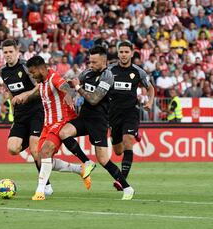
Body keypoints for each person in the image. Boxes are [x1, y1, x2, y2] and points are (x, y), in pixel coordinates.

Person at [59, 45, 135, 200]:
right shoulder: (87, 72)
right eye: (90, 61)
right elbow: (71, 83)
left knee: (103, 160)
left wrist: (78, 88)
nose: (91, 65)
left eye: (94, 62)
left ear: (103, 61)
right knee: (63, 133)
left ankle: (127, 187)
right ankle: (87, 162)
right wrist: (66, 86)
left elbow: (94, 100)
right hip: (84, 118)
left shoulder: (108, 76)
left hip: (99, 121)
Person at [19, 55, 91, 201]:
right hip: (48, 124)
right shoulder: (43, 81)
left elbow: (63, 85)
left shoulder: (53, 77)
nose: (32, 76)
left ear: (41, 69)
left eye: (33, 72)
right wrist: (25, 97)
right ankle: (80, 169)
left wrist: (68, 95)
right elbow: (37, 91)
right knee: (41, 158)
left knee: (45, 151)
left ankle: (40, 191)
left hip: (61, 120)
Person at [0, 39, 53, 195]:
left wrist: (24, 94)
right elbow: (10, 91)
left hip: (36, 111)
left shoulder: (25, 67)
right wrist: (9, 104)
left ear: (17, 51)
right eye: (5, 52)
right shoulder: (3, 72)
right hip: (20, 116)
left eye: (11, 52)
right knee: (12, 149)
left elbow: (40, 86)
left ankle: (46, 185)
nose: (8, 55)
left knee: (35, 149)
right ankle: (34, 144)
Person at [108, 41, 155, 190]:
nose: (123, 55)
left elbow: (150, 88)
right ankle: (135, 132)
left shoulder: (138, 72)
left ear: (132, 53)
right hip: (114, 114)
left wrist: (150, 102)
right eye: (121, 52)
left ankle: (122, 181)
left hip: (131, 112)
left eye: (126, 52)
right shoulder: (109, 70)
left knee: (128, 142)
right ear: (118, 53)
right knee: (118, 151)